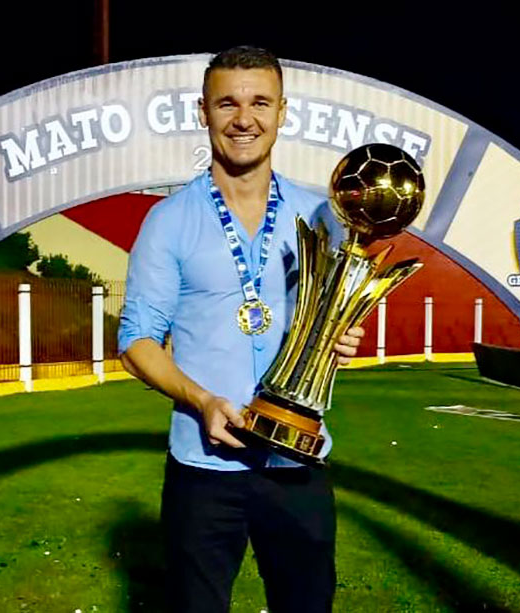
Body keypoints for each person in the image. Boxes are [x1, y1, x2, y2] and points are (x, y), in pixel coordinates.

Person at [118, 46, 364, 613]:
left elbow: (331, 318)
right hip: (205, 468)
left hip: (297, 462)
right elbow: (136, 343)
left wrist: (341, 335)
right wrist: (201, 400)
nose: (244, 119)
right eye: (227, 103)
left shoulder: (323, 216)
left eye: (260, 103)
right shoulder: (169, 221)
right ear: (203, 112)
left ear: (282, 112)